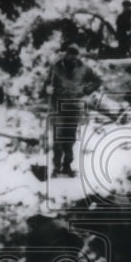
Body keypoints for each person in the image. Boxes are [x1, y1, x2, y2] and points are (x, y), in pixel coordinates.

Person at [46, 44, 100, 177]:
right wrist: (47, 89)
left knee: (70, 137)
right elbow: (47, 83)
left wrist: (87, 90)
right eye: (71, 55)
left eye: (75, 56)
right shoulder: (56, 67)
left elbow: (97, 81)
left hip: (74, 106)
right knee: (58, 137)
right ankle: (56, 167)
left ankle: (67, 166)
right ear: (66, 55)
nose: (73, 58)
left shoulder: (84, 68)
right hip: (58, 105)